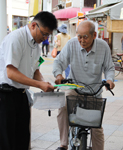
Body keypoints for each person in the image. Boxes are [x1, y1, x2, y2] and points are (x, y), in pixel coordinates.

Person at [53, 20, 115, 150]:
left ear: (94, 35)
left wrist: (109, 80)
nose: (81, 40)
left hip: (94, 91)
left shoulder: (103, 47)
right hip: (75, 88)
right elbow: (59, 62)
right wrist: (58, 75)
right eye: (79, 36)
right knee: (62, 105)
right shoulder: (71, 44)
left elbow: (109, 68)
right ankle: (63, 144)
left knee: (96, 127)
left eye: (85, 37)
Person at [0, 11, 57, 150]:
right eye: (44, 33)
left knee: (23, 138)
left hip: (21, 95)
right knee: (7, 141)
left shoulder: (36, 46)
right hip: (5, 96)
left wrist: (45, 83)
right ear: (33, 25)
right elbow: (11, 73)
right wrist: (39, 84)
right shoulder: (16, 38)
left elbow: (36, 71)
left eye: (48, 35)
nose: (44, 38)